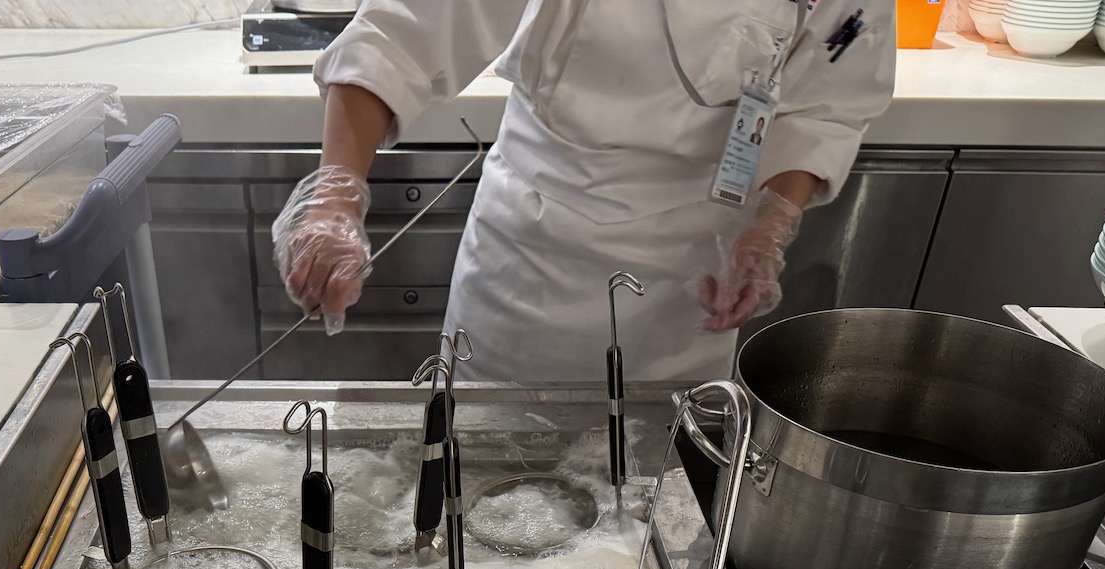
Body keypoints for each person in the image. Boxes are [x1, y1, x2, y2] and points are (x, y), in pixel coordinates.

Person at [272, 0, 896, 384]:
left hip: (692, 275)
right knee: (486, 496)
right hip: (531, 253)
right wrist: (335, 194)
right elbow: (405, 32)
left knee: (644, 531)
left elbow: (828, 103)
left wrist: (770, 227)